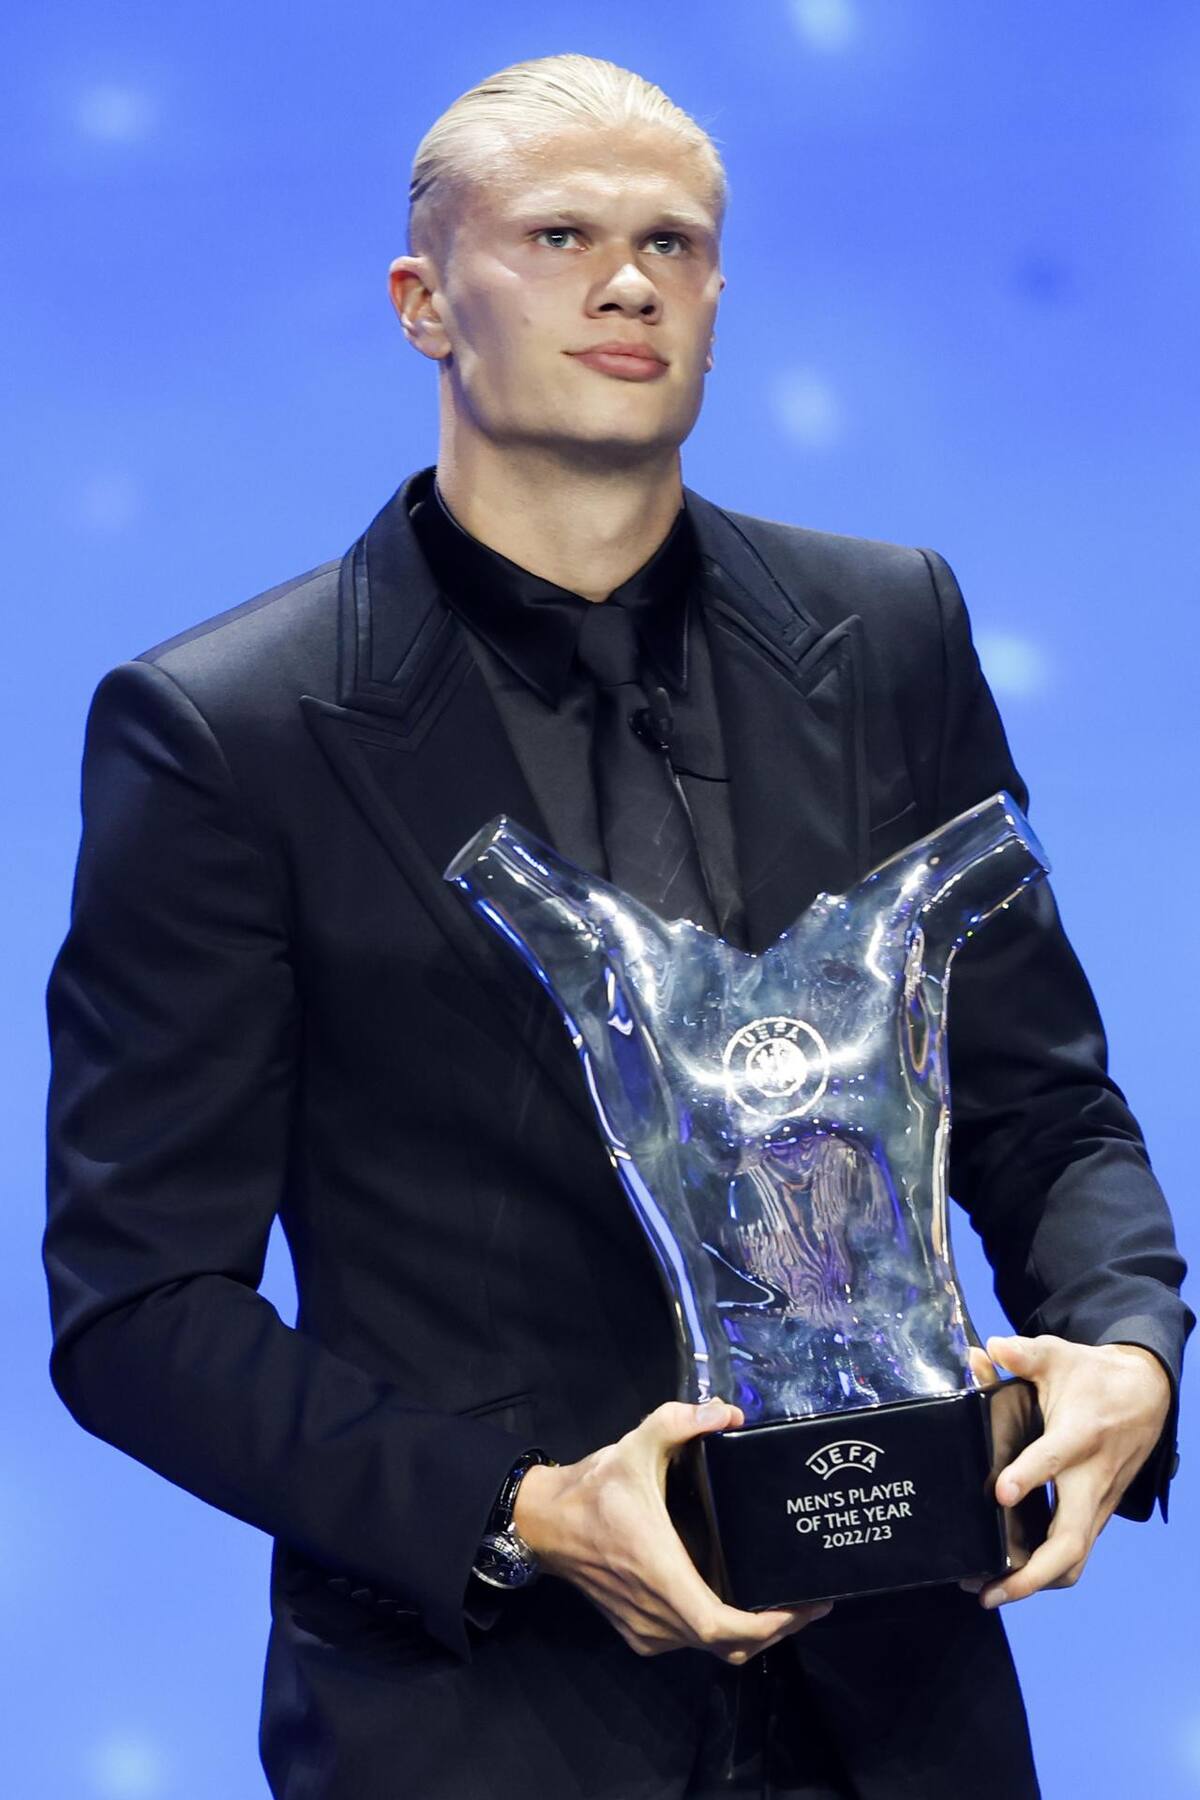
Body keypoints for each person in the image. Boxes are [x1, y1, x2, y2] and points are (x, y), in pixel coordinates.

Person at [43, 53, 1191, 1800]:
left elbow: (1045, 1107)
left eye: (674, 242)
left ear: (719, 301)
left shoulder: (888, 634)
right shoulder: (228, 731)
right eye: (561, 235)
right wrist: (521, 1515)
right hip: (485, 1721)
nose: (630, 282)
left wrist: (1125, 1347)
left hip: (910, 1704)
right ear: (425, 303)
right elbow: (142, 1308)